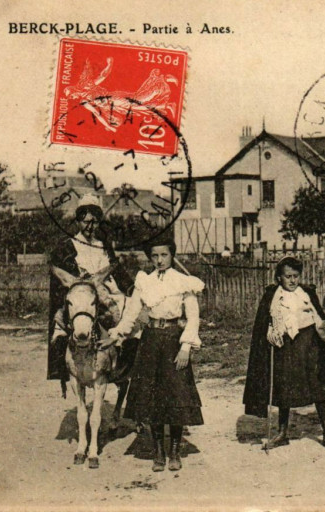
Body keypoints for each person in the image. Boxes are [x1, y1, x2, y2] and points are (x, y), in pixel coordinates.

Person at [108, 238, 205, 472]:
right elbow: (131, 314)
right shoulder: (145, 282)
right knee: (153, 399)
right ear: (150, 258)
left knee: (176, 396)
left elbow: (193, 318)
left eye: (164, 255)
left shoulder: (184, 282)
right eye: (155, 256)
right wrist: (117, 334)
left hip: (173, 340)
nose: (159, 260)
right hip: (150, 341)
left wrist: (185, 347)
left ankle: (174, 451)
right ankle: (158, 452)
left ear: (172, 255)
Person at [244, 257, 325, 450]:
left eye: (295, 276)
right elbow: (266, 321)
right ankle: (282, 433)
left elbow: (319, 319)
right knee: (284, 386)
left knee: (317, 385)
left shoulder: (306, 293)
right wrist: (269, 334)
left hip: (309, 344)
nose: (292, 280)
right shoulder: (272, 295)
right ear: (279, 277)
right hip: (285, 347)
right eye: (287, 276)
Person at [47, 194, 134, 391]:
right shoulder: (68, 245)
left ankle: (117, 362)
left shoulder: (102, 244)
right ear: (78, 221)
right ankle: (66, 366)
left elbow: (116, 270)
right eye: (86, 222)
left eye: (94, 222)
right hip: (80, 291)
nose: (90, 227)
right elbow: (60, 276)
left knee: (125, 309)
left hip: (104, 290)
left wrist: (132, 289)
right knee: (66, 318)